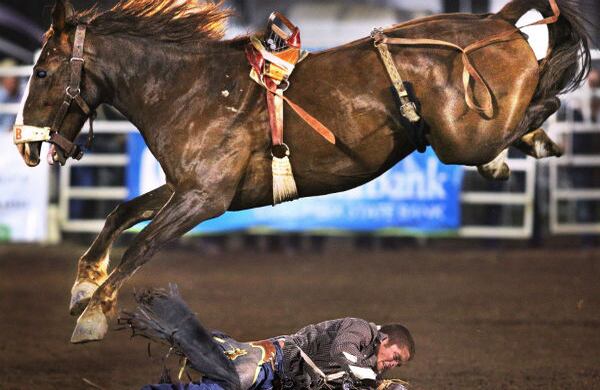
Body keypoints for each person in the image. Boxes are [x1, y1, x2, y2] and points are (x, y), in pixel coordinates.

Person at [123, 287, 414, 390]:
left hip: (282, 383)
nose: (392, 364)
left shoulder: (365, 371)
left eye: (398, 365)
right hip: (272, 362)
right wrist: (371, 381)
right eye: (395, 357)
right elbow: (341, 350)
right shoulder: (361, 329)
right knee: (230, 383)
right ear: (384, 339)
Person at [0, 58, 23, 131]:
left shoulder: (24, 93)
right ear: (3, 79)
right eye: (9, 77)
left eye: (14, 77)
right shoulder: (1, 96)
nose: (13, 80)